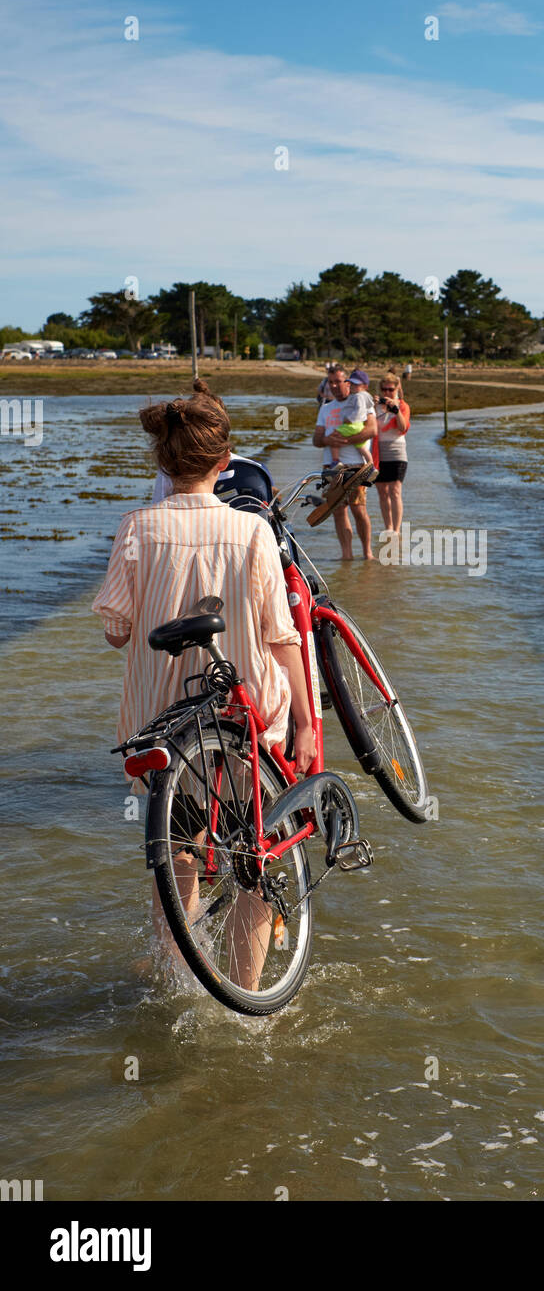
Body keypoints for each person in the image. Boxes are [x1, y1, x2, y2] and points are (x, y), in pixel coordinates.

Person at [92, 387, 315, 987]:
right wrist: (302, 719)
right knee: (254, 859)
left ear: (161, 465)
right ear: (226, 463)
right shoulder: (251, 532)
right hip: (246, 722)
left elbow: (116, 632)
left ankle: (180, 980)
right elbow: (282, 635)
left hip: (164, 722)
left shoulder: (135, 527)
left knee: (179, 855)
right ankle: (244, 995)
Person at [312, 367, 377, 559]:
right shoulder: (325, 408)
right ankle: (346, 556)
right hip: (332, 466)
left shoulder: (360, 400)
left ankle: (367, 554)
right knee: (338, 512)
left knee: (359, 510)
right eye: (330, 382)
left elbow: (372, 430)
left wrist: (346, 440)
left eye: (338, 382)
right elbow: (316, 439)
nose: (334, 386)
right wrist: (327, 440)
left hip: (357, 464)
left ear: (347, 382)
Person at [373, 371, 410, 535]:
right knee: (382, 491)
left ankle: (396, 529)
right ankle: (388, 527)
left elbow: (403, 428)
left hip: (397, 452)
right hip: (378, 453)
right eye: (384, 390)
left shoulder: (402, 406)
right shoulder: (375, 406)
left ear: (396, 389)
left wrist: (396, 411)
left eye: (391, 389)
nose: (387, 393)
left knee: (395, 491)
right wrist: (373, 404)